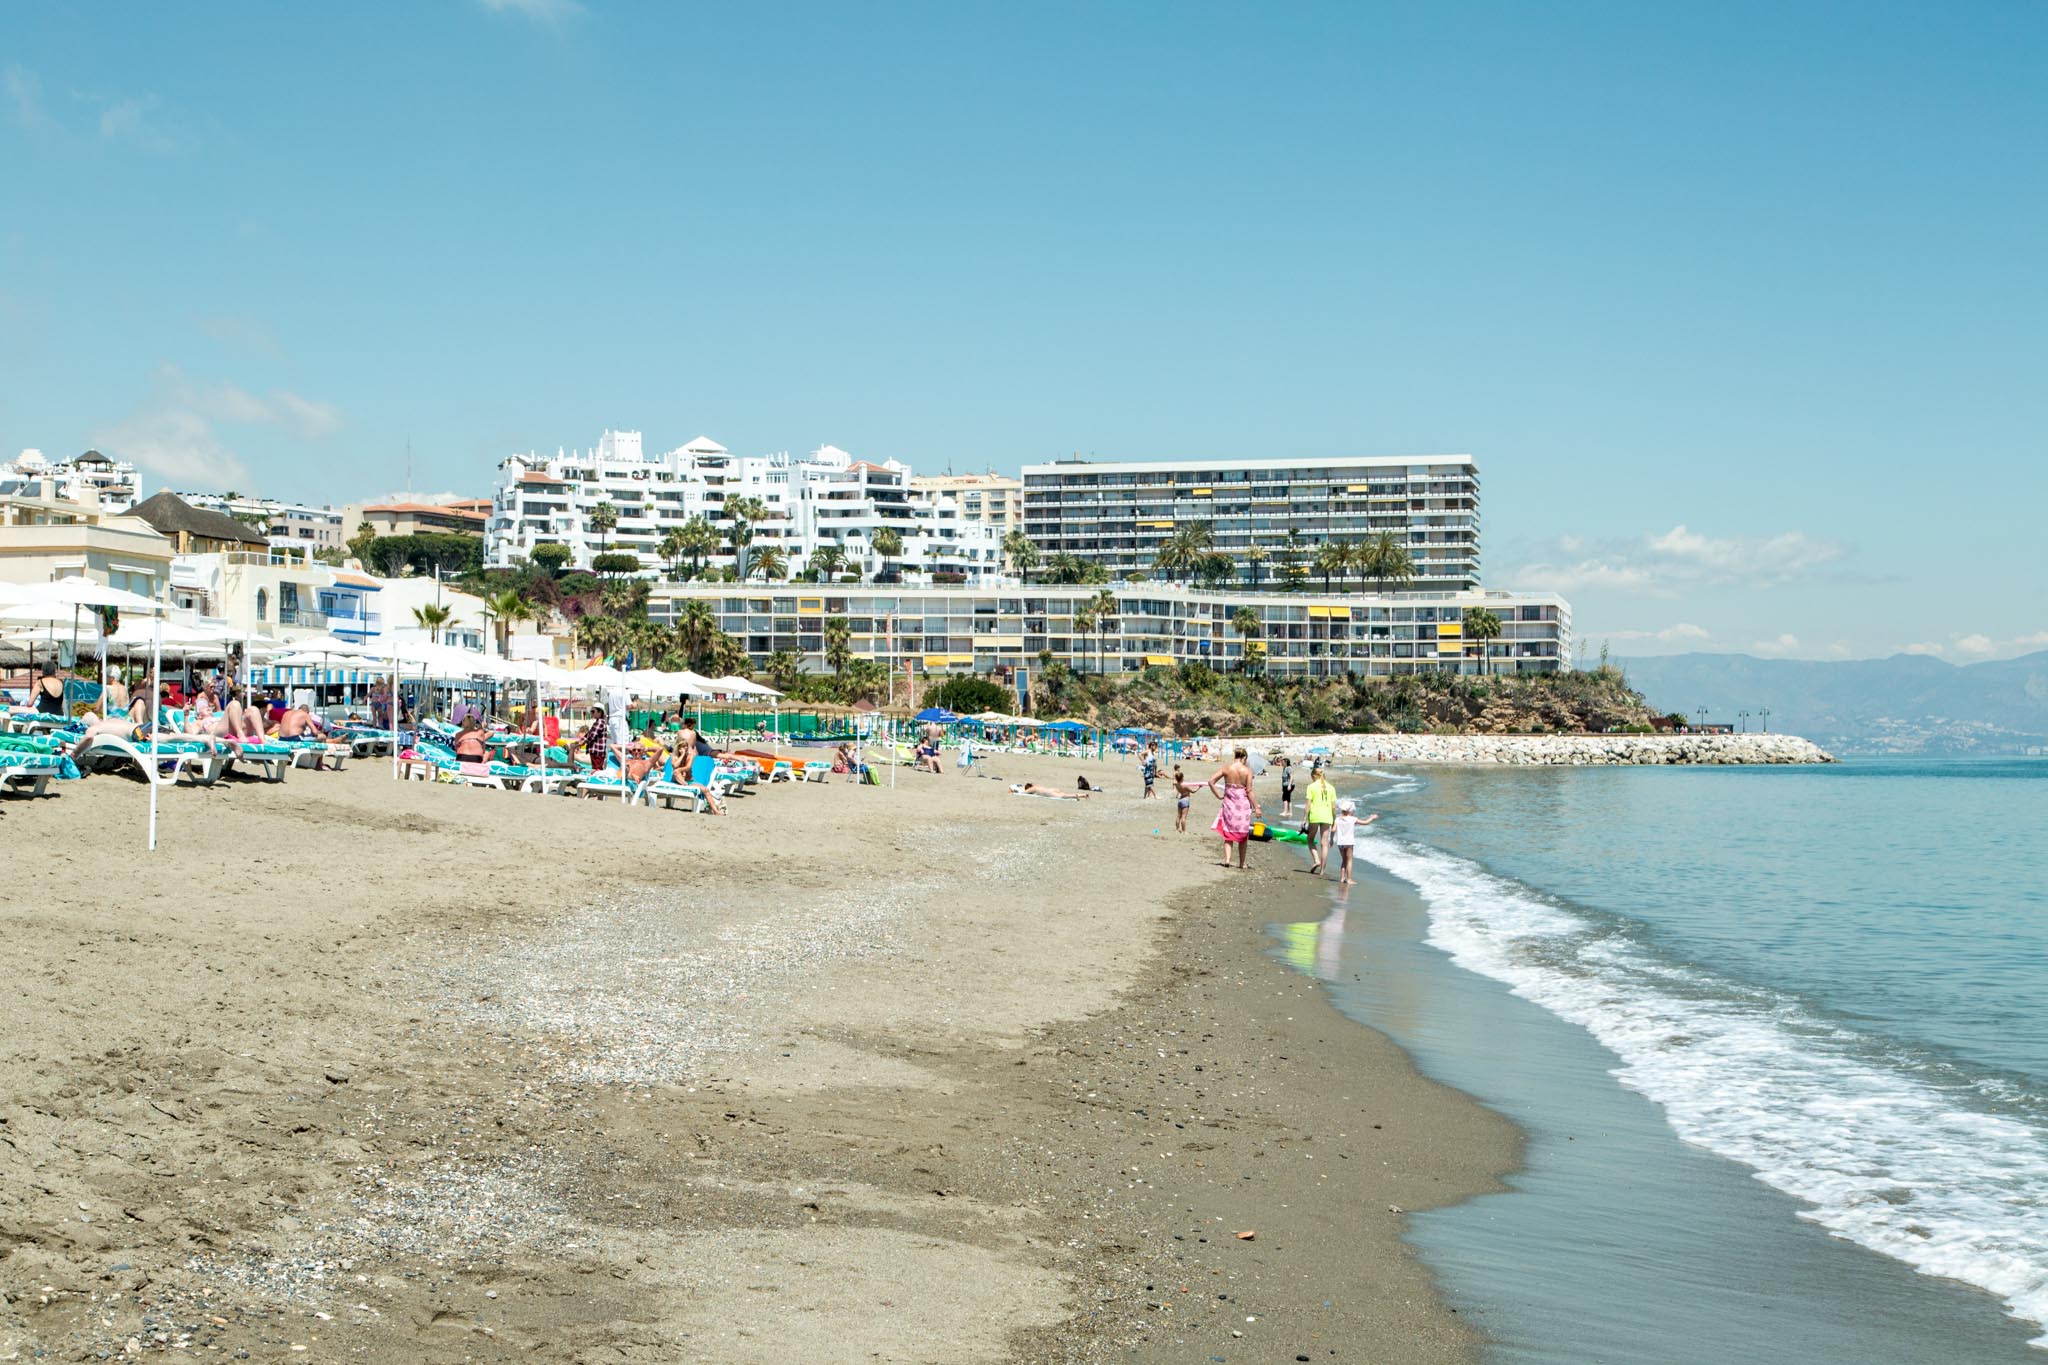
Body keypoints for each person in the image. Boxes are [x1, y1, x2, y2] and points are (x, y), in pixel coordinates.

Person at [1206, 746, 1261, 869]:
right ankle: (1241, 863)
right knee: (1243, 835)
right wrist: (1256, 807)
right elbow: (1249, 791)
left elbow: (1211, 781)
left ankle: (1227, 860)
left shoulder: (1227, 768)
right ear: (1244, 757)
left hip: (1229, 804)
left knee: (1228, 832)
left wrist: (1218, 795)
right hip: (1242, 806)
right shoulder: (1247, 771)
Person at [1330, 798, 1379, 886]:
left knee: (1344, 860)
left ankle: (1342, 878)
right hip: (1349, 842)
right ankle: (1349, 879)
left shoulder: (1337, 819)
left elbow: (1333, 830)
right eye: (1353, 811)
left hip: (1340, 843)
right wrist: (1372, 818)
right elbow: (1365, 822)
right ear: (1350, 811)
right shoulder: (1352, 819)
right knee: (1349, 860)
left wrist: (1331, 839)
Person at [1303, 763, 1338, 875]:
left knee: (1310, 839)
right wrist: (1334, 819)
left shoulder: (1311, 787)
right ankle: (1322, 871)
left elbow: (1308, 805)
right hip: (1327, 816)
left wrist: (1304, 819)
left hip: (1315, 815)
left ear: (1314, 776)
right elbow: (1333, 807)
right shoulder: (1331, 788)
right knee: (1324, 843)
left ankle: (1316, 860)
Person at [576, 706, 611, 773]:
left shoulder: (600, 723)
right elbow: (589, 734)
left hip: (597, 752)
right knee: (596, 768)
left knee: (597, 769)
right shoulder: (598, 722)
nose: (591, 713)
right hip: (596, 751)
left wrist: (581, 742)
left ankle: (596, 780)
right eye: (591, 712)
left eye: (593, 711)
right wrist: (580, 741)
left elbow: (591, 736)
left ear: (600, 712)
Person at [1173, 765, 1197, 833]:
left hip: (1180, 800)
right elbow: (1193, 791)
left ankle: (1177, 829)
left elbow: (1176, 782)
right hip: (1185, 800)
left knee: (1178, 816)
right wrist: (1199, 787)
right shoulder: (1185, 786)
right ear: (1182, 778)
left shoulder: (1176, 784)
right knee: (1184, 817)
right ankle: (1184, 831)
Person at [1012, 782, 1091, 799]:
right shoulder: (1038, 786)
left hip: (1048, 792)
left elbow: (1023, 792)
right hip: (1052, 789)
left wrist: (1014, 790)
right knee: (1064, 794)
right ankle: (1079, 795)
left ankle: (1080, 795)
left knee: (1063, 796)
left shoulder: (1032, 789)